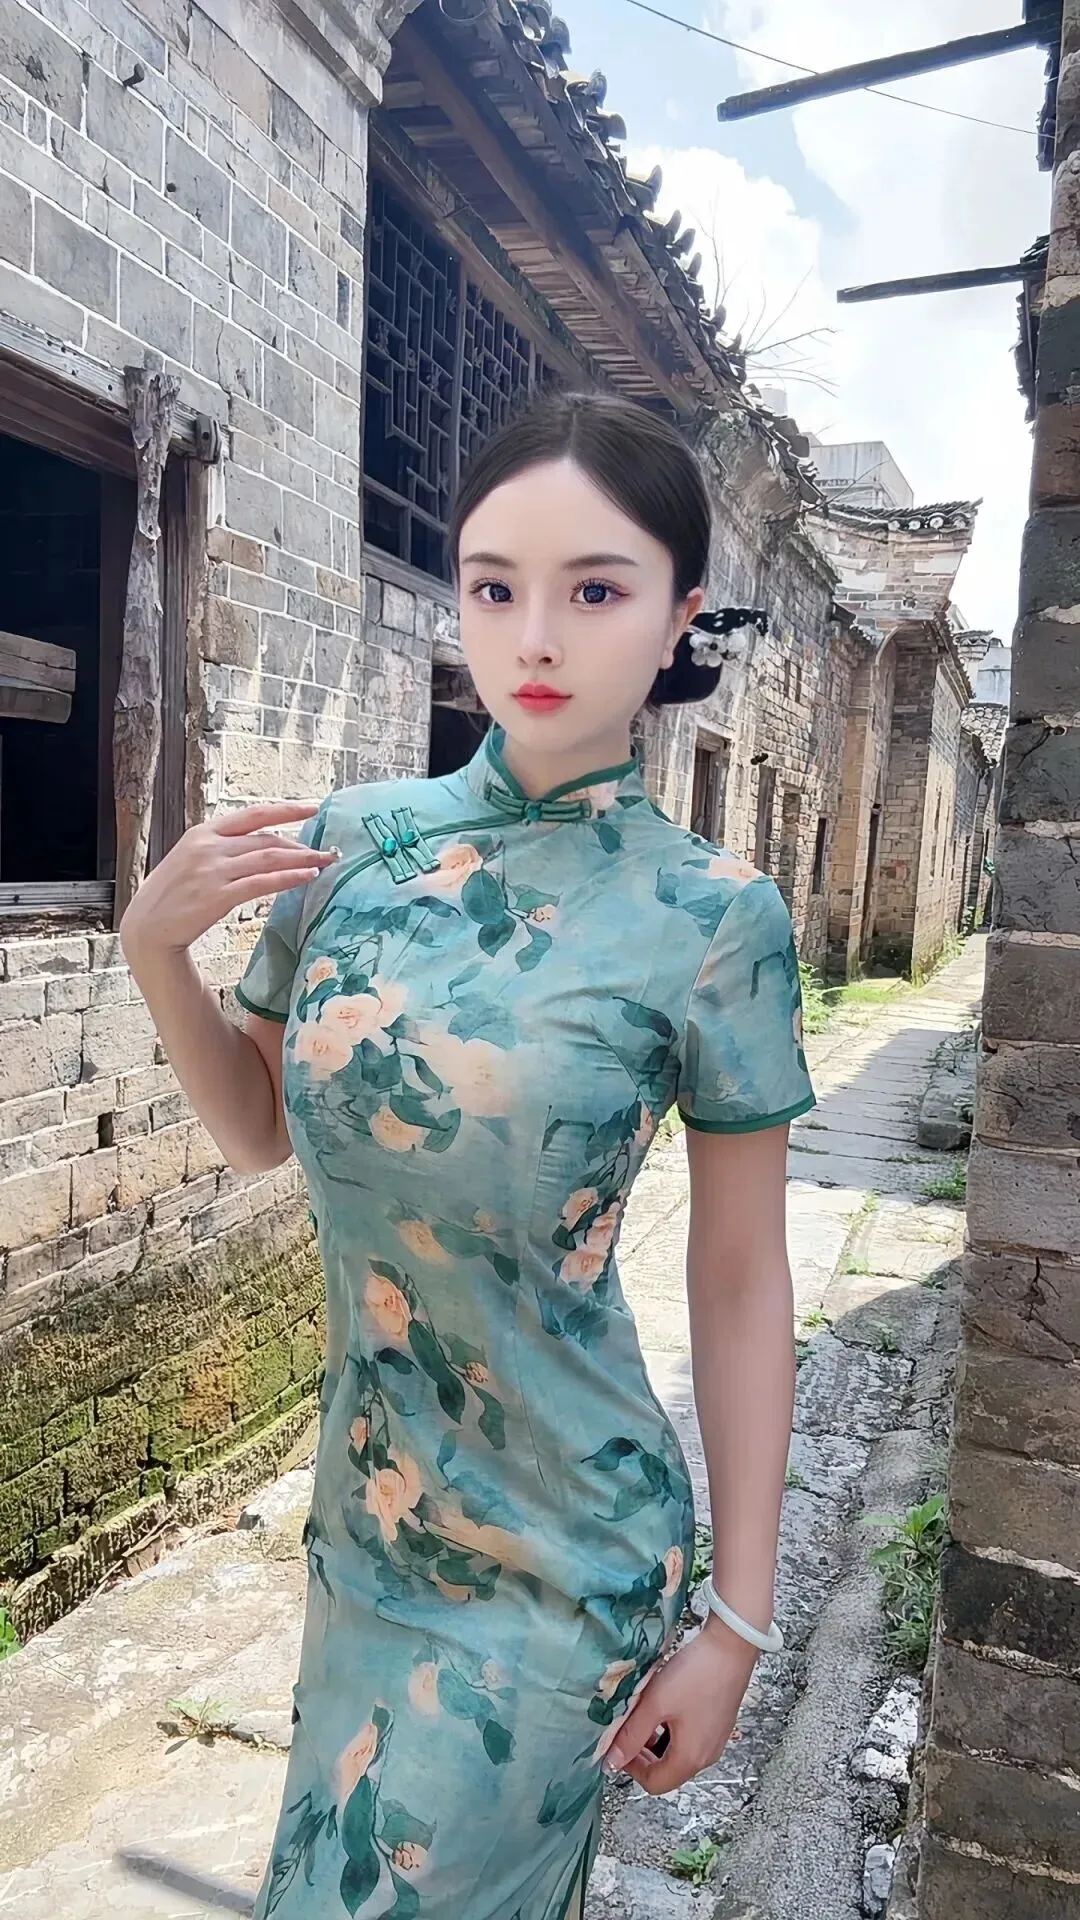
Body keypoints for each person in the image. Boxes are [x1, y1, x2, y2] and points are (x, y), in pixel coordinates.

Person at [121, 391, 814, 1920]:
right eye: (495, 587)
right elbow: (254, 1130)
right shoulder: (352, 848)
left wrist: (740, 1623)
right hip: (366, 1530)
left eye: (596, 590)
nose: (535, 638)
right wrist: (156, 952)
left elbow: (741, 1278)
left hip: (569, 1556)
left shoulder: (715, 918)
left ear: (681, 614)